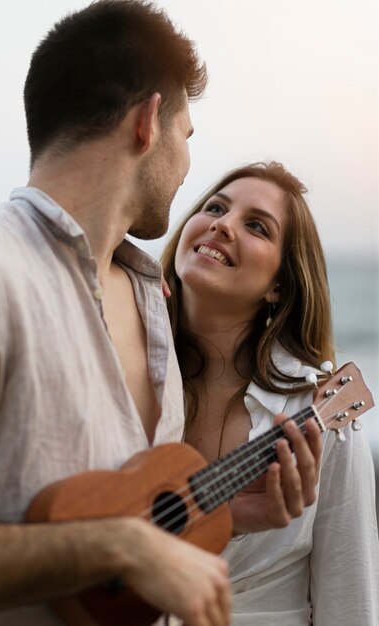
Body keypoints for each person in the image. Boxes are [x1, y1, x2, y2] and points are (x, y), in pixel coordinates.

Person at [0, 2, 322, 625]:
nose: (186, 167)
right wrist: (119, 546)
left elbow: (117, 508)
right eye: (188, 137)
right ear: (149, 122)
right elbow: (116, 543)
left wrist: (228, 514)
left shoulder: (151, 300)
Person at [162, 161, 379, 625]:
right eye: (215, 207)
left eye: (256, 225)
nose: (222, 224)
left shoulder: (318, 415)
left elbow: (350, 601)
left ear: (278, 285)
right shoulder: (130, 378)